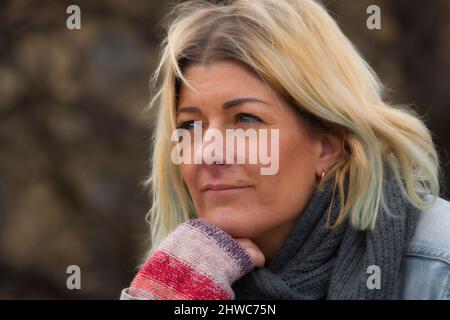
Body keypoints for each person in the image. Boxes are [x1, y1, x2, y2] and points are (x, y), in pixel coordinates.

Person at [120, 0, 450, 300]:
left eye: (245, 119)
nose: (208, 152)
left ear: (327, 145)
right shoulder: (180, 277)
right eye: (190, 126)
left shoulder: (438, 266)